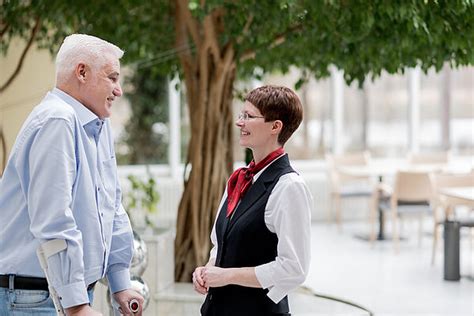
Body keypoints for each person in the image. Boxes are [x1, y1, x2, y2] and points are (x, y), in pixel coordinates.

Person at [0, 34, 144, 315]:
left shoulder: (97, 124)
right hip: (33, 298)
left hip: (65, 295)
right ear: (82, 72)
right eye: (112, 78)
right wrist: (77, 305)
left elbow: (112, 208)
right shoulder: (57, 121)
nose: (119, 90)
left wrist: (120, 283)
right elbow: (53, 222)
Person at [193, 85, 313, 316]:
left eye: (248, 116)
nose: (240, 122)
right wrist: (207, 271)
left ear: (275, 127)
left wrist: (227, 276)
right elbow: (221, 246)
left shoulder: (289, 187)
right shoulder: (239, 179)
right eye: (241, 115)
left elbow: (293, 268)